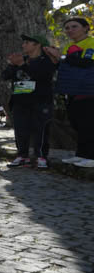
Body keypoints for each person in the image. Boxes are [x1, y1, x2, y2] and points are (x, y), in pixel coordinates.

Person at [2, 34, 58, 169]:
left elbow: (39, 75)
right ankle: (22, 156)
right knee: (21, 130)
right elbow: (5, 76)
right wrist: (11, 65)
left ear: (37, 44)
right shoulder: (21, 59)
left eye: (27, 42)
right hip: (20, 101)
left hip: (40, 101)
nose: (23, 45)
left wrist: (21, 65)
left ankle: (41, 157)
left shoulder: (46, 61)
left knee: (41, 130)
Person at [50, 16, 94, 167]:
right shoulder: (70, 47)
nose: (70, 30)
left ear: (86, 28)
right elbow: (67, 66)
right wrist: (57, 61)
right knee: (78, 124)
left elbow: (87, 63)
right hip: (73, 91)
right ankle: (81, 155)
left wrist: (61, 57)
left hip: (89, 89)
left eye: (74, 26)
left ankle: (91, 157)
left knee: (89, 124)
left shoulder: (91, 42)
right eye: (67, 28)